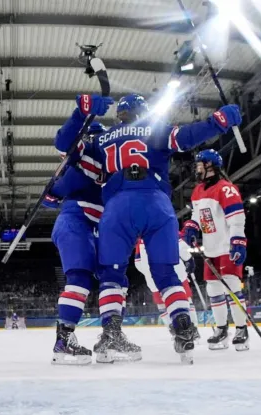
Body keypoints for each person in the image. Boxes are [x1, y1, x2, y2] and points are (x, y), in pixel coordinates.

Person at [82, 92, 242, 363]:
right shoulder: (155, 128)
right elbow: (189, 136)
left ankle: (110, 334)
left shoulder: (102, 139)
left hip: (118, 205)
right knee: (166, 273)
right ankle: (182, 326)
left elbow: (80, 166)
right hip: (156, 203)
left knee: (111, 274)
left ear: (120, 114)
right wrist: (219, 121)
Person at [47, 111, 107, 365]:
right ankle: (63, 341)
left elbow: (59, 189)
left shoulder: (98, 165)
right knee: (80, 278)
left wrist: (54, 190)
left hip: (93, 224)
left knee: (111, 278)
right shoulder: (83, 161)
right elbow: (66, 148)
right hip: (76, 220)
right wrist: (56, 190)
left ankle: (110, 337)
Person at [183, 149, 250, 351]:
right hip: (210, 248)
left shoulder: (226, 188)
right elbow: (197, 216)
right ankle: (221, 330)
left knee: (231, 286)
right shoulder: (197, 191)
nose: (197, 168)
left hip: (226, 246)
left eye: (200, 164)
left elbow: (236, 217)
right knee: (213, 290)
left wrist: (238, 240)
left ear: (210, 166)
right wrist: (191, 226)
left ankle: (241, 330)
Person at [134, 236, 199, 337]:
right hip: (176, 272)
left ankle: (174, 332)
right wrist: (189, 259)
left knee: (162, 305)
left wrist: (147, 271)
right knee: (185, 300)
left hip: (154, 278)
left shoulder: (141, 236)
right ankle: (193, 329)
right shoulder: (167, 223)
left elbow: (138, 262)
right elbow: (182, 247)